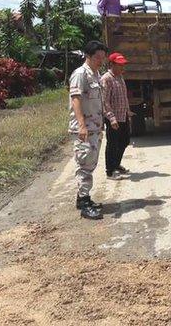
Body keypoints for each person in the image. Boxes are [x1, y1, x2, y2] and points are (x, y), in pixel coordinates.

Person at [69, 41, 108, 220]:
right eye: (97, 57)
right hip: (85, 129)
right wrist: (82, 125)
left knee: (90, 164)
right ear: (88, 56)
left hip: (95, 128)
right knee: (84, 166)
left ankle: (83, 198)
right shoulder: (80, 74)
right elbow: (76, 99)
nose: (101, 60)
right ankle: (84, 205)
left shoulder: (96, 74)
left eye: (102, 57)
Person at [101, 52, 134, 179]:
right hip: (113, 118)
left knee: (125, 140)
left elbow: (123, 97)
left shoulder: (120, 77)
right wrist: (111, 118)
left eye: (123, 65)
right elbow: (105, 101)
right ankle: (110, 170)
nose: (122, 67)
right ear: (112, 64)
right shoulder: (106, 79)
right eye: (119, 65)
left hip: (123, 115)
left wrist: (128, 111)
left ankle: (116, 164)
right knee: (112, 143)